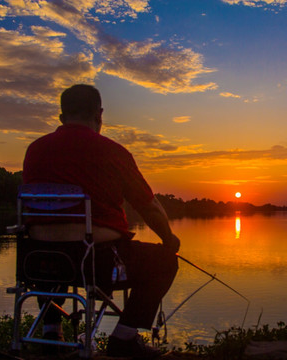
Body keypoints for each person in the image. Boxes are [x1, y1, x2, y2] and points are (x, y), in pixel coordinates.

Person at [22, 84, 180, 358]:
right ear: (99, 115)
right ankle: (124, 338)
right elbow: (148, 206)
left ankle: (51, 333)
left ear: (62, 117)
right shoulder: (113, 152)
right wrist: (169, 239)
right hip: (98, 263)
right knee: (165, 261)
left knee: (55, 257)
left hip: (37, 260)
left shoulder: (34, 150)